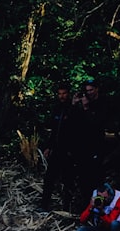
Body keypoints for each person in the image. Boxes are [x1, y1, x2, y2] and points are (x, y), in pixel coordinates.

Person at [41, 83, 78, 211]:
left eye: (64, 93)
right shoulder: (57, 109)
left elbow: (76, 130)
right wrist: (48, 147)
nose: (62, 96)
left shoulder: (73, 108)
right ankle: (44, 205)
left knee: (68, 180)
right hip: (56, 150)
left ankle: (66, 208)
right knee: (49, 178)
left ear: (68, 94)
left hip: (68, 151)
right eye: (60, 94)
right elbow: (54, 131)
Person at [73, 79, 107, 206]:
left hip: (97, 146)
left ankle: (99, 207)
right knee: (83, 177)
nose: (89, 93)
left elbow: (97, 124)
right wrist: (74, 105)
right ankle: (86, 206)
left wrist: (87, 108)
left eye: (91, 90)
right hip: (83, 147)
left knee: (97, 178)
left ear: (97, 89)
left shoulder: (102, 103)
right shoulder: (85, 103)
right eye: (87, 91)